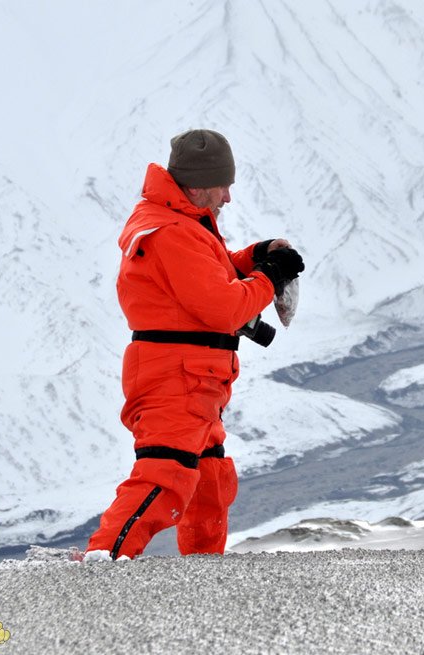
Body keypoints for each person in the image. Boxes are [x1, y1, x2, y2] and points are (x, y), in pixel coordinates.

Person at [86, 129, 304, 559]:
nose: (227, 198)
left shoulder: (179, 220)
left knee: (210, 481)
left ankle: (204, 574)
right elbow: (223, 307)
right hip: (177, 376)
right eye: (224, 187)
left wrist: (254, 255)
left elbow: (204, 274)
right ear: (201, 182)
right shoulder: (171, 231)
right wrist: (271, 276)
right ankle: (102, 565)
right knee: (163, 478)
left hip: (194, 375)